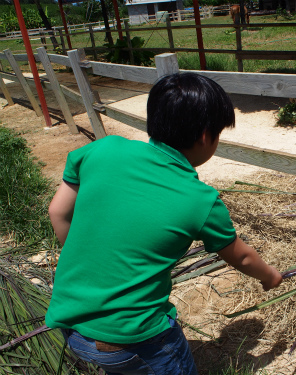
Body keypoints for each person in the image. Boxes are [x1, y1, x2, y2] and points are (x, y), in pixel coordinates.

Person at [45, 72, 283, 375]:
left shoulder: (102, 149)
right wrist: (269, 276)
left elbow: (58, 212)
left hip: (71, 327)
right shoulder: (200, 200)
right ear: (206, 136)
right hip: (136, 339)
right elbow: (243, 256)